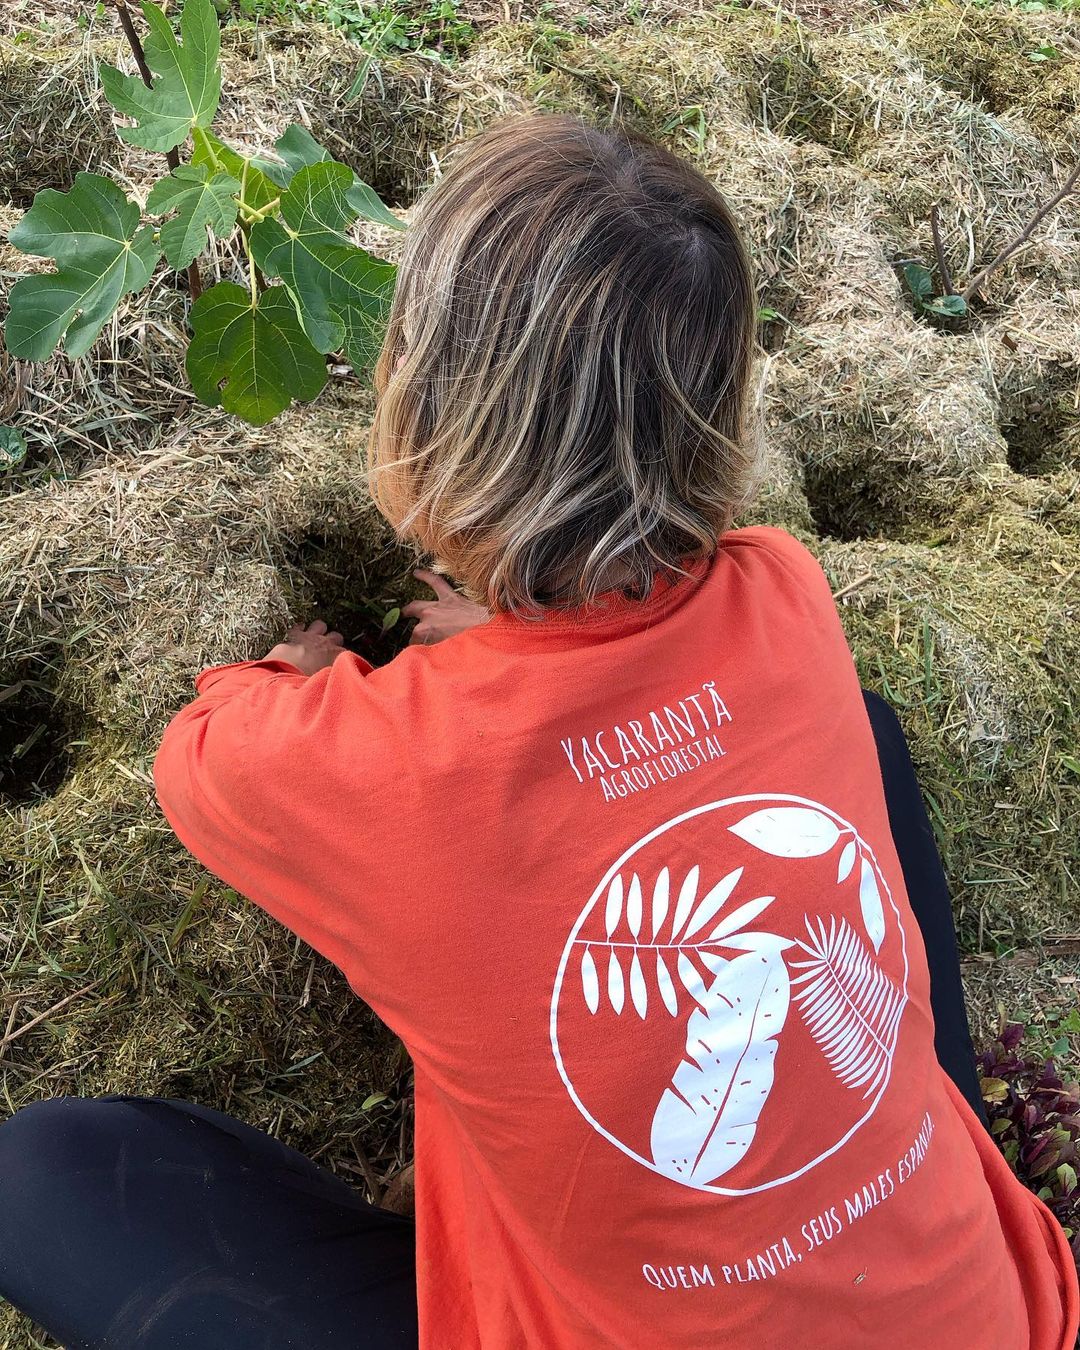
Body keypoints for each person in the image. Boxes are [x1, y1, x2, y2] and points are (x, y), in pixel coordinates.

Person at [0, 113, 1076, 1350]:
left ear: (423, 406)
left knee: (37, 1176)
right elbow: (633, 694)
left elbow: (207, 748)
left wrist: (305, 672)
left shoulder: (356, 767)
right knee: (864, 731)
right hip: (983, 1314)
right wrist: (527, 633)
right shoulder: (786, 595)